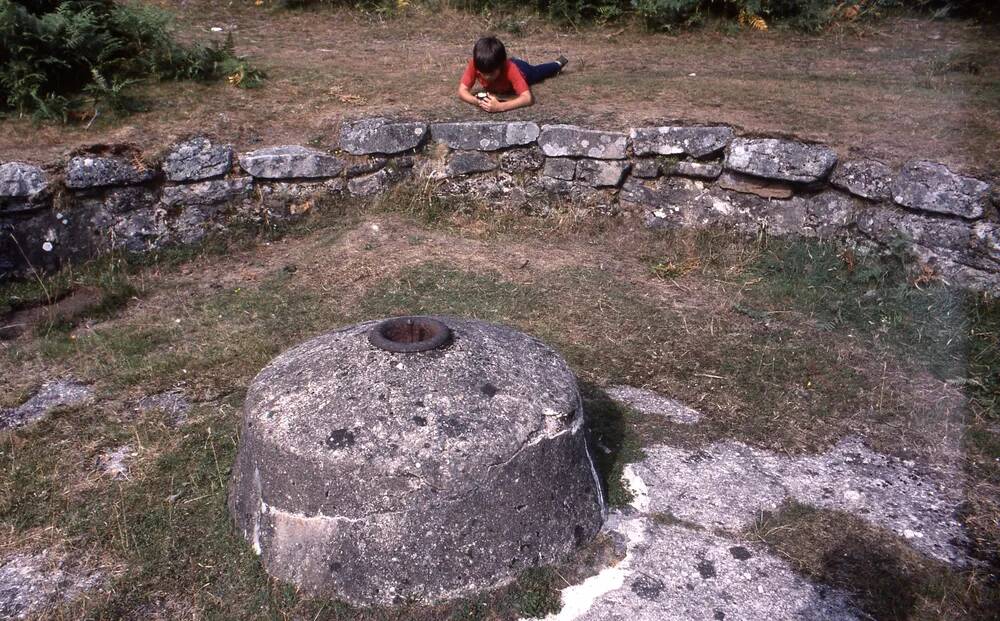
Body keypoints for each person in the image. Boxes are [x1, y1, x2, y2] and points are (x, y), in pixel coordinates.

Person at [457, 36, 568, 114]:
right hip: (504, 67)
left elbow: (527, 98)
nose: (487, 77)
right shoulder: (475, 63)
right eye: (483, 74)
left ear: (501, 66)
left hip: (523, 70)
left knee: (538, 72)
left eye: (491, 74)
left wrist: (500, 107)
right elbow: (462, 91)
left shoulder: (511, 69)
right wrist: (478, 102)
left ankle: (557, 64)